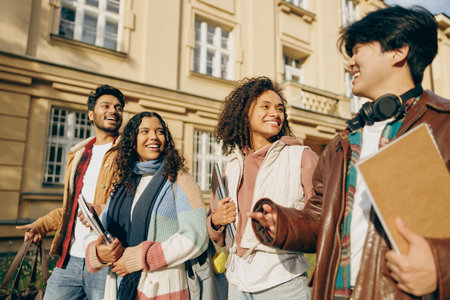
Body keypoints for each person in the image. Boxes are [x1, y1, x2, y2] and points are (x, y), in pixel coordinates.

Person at [250, 6, 450, 300]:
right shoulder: (341, 143)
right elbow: (321, 218)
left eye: (358, 50)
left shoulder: (443, 125)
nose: (350, 63)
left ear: (398, 51)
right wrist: (283, 223)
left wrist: (440, 267)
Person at [208, 76, 319, 299]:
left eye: (280, 109)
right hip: (237, 283)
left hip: (283, 282)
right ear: (244, 113)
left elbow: (323, 217)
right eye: (265, 107)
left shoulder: (301, 157)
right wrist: (215, 221)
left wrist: (284, 223)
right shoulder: (230, 168)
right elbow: (218, 234)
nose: (275, 113)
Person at [84, 111, 209, 300]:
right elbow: (96, 232)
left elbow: (196, 238)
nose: (154, 137)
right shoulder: (124, 183)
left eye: (160, 132)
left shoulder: (180, 179)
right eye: (145, 131)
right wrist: (99, 253)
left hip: (162, 288)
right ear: (132, 141)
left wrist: (137, 258)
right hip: (120, 287)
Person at [16, 85, 125, 300]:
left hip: (106, 261)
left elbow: (132, 205)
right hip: (69, 259)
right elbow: (71, 208)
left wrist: (101, 210)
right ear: (91, 114)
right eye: (106, 106)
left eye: (119, 107)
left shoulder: (128, 154)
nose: (113, 111)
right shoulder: (78, 155)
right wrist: (42, 225)